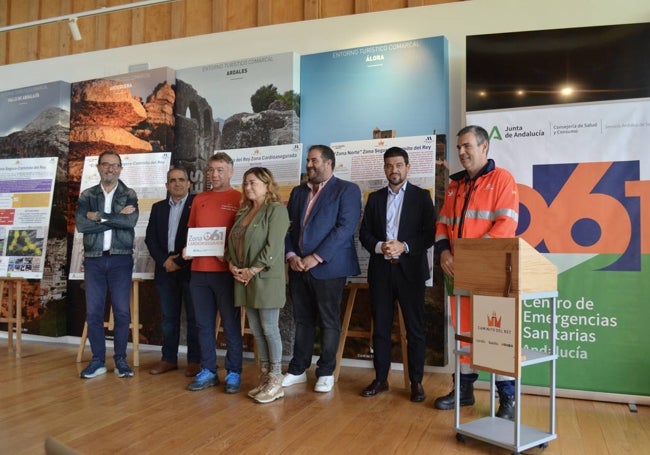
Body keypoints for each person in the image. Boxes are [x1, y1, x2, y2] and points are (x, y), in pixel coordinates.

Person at [434, 125, 519, 419]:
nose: (461, 152)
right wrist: (444, 251)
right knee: (465, 334)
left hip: (491, 274)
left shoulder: (502, 179)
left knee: (497, 335)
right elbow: (443, 224)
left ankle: (507, 400)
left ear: (484, 148)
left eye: (467, 146)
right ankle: (464, 391)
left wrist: (470, 257)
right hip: (458, 274)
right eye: (458, 147)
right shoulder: (456, 185)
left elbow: (506, 225)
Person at [282, 144, 362, 393]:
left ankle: (326, 371)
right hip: (298, 267)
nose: (309, 165)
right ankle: (297, 369)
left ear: (329, 163)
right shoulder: (297, 192)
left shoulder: (346, 190)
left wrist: (315, 258)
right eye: (308, 161)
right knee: (302, 320)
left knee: (329, 320)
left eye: (314, 161)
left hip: (329, 267)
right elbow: (288, 227)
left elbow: (345, 228)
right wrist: (291, 254)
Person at [358, 146, 435, 402]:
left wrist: (405, 246)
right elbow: (365, 233)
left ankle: (416, 382)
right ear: (384, 169)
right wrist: (381, 247)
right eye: (390, 165)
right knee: (380, 328)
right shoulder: (375, 198)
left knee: (414, 329)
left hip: (410, 271)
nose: (394, 170)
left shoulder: (421, 197)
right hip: (381, 271)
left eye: (399, 165)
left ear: (408, 167)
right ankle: (381, 380)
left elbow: (429, 234)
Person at [226, 167, 290, 404]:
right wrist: (233, 264)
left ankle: (276, 379)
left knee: (270, 328)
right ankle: (265, 376)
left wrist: (252, 270)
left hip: (264, 279)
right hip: (243, 278)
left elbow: (273, 248)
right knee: (256, 329)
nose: (248, 187)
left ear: (267, 184)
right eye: (245, 183)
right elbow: (233, 243)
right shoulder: (244, 212)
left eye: (253, 182)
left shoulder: (276, 211)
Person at [75, 150, 139, 379]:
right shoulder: (87, 195)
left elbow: (130, 221)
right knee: (93, 312)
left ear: (120, 168)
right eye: (106, 164)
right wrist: (115, 218)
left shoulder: (128, 193)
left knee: (122, 312)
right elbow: (82, 225)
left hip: (121, 259)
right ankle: (97, 361)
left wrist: (99, 217)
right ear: (99, 167)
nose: (110, 168)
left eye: (114, 165)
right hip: (94, 259)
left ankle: (121, 360)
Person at [184, 152, 242, 393]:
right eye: (210, 170)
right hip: (198, 271)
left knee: (230, 324)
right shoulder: (199, 199)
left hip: (225, 273)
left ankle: (234, 372)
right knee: (203, 324)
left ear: (230, 171)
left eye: (219, 169)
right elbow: (193, 232)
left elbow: (244, 238)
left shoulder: (240, 198)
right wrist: (187, 248)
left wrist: (228, 253)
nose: (214, 174)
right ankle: (208, 370)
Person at [145, 167, 200, 377]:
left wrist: (178, 262)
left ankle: (195, 360)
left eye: (181, 179)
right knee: (168, 318)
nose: (176, 183)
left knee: (194, 318)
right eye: (172, 180)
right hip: (164, 269)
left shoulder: (197, 205)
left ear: (188, 183)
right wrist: (164, 261)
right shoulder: (158, 207)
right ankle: (168, 359)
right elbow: (151, 238)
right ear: (167, 185)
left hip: (189, 268)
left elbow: (197, 237)